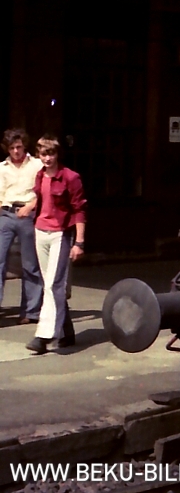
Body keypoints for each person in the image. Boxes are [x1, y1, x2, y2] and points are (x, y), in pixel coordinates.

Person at [26, 135, 85, 354]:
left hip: (60, 233)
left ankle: (43, 335)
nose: (47, 158)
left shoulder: (70, 177)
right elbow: (41, 200)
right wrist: (28, 208)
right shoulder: (40, 175)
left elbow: (79, 210)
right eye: (43, 154)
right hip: (40, 231)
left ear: (57, 154)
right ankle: (66, 332)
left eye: (51, 153)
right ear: (39, 155)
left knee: (53, 284)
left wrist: (79, 242)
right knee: (51, 284)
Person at [0, 128, 42, 324]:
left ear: (24, 146)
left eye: (18, 147)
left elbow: (44, 192)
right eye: (12, 148)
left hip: (28, 213)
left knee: (30, 264)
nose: (16, 151)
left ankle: (30, 311)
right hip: (6, 214)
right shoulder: (2, 168)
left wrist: (31, 206)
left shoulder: (37, 165)